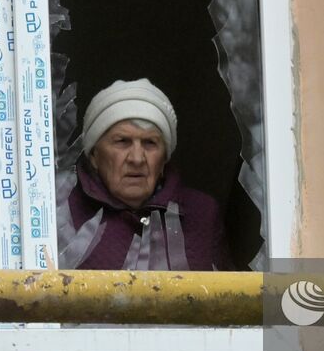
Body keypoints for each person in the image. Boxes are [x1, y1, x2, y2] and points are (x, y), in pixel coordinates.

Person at [57, 78, 231, 270]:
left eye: (150, 143)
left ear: (164, 158)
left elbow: (231, 297)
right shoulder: (61, 210)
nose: (137, 158)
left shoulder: (201, 214)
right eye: (122, 141)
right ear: (94, 156)